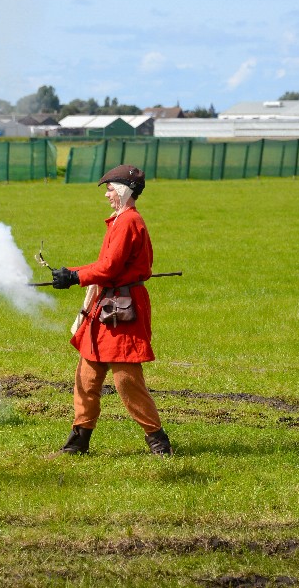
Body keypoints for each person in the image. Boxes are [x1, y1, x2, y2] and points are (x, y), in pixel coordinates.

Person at [51, 164, 173, 456]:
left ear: (122, 190)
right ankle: (78, 443)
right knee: (87, 378)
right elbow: (105, 267)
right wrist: (72, 272)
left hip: (123, 311)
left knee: (127, 383)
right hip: (107, 307)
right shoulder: (119, 221)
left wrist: (75, 277)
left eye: (109, 189)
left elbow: (109, 268)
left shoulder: (129, 222)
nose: (106, 194)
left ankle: (158, 442)